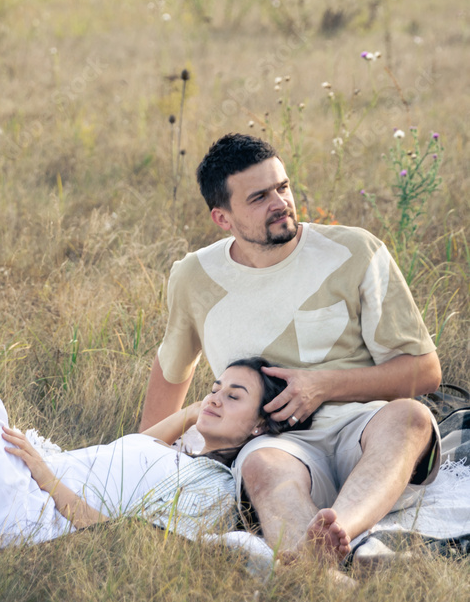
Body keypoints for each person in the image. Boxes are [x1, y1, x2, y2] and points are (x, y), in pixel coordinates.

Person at [140, 133, 442, 562]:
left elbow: (425, 372)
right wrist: (137, 464)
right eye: (259, 197)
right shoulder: (194, 277)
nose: (280, 203)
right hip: (276, 446)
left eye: (282, 187)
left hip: (365, 432)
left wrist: (322, 386)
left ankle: (338, 532)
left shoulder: (355, 250)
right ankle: (321, 569)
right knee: (261, 466)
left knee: (411, 416)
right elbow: (173, 370)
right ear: (222, 218)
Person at [0, 341, 309, 553]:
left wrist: (46, 475)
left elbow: (121, 539)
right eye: (215, 386)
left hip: (31, 512)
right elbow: (129, 453)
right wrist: (190, 413)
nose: (215, 397)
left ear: (259, 428)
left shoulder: (215, 492)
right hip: (22, 484)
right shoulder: (180, 456)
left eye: (234, 395)